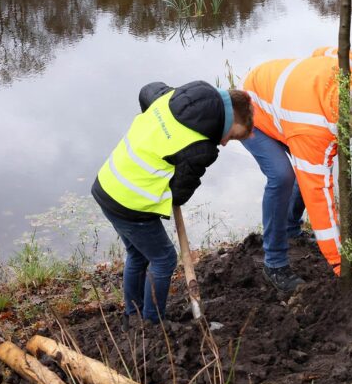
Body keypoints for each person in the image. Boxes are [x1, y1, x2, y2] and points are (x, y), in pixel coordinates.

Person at [92, 80, 253, 325]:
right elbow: (179, 195)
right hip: (131, 201)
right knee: (164, 259)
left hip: (108, 184)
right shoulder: (201, 148)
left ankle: (133, 316)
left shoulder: (177, 98)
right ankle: (153, 322)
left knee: (137, 254)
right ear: (229, 121)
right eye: (232, 135)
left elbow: (148, 90)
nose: (224, 143)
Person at [243, 47, 352, 294]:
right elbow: (319, 199)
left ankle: (291, 229)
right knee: (283, 176)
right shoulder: (313, 130)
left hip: (283, 101)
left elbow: (327, 49)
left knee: (309, 170)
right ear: (348, 116)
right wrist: (341, 263)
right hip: (254, 108)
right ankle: (275, 263)